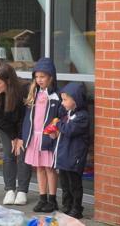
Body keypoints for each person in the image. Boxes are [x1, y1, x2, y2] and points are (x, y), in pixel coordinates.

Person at [0, 63, 32, 205]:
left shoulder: (23, 89)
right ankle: (9, 190)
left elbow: (24, 116)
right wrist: (13, 137)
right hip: (6, 128)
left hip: (23, 126)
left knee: (22, 155)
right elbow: (0, 119)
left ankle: (22, 191)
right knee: (8, 155)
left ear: (8, 81)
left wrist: (20, 137)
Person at [22, 57, 60, 212]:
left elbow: (59, 117)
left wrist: (54, 131)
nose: (39, 80)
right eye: (37, 77)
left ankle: (52, 200)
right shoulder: (34, 94)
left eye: (42, 77)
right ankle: (42, 198)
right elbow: (28, 118)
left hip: (47, 137)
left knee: (49, 168)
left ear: (51, 77)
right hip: (35, 137)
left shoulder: (56, 96)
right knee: (39, 168)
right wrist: (24, 136)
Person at [49, 82, 90, 219]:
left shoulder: (82, 117)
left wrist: (58, 124)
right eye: (62, 99)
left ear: (76, 100)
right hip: (65, 156)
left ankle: (77, 208)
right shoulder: (68, 114)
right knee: (65, 184)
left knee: (75, 185)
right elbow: (63, 125)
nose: (63, 102)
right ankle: (67, 205)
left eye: (65, 99)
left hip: (74, 157)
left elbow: (69, 130)